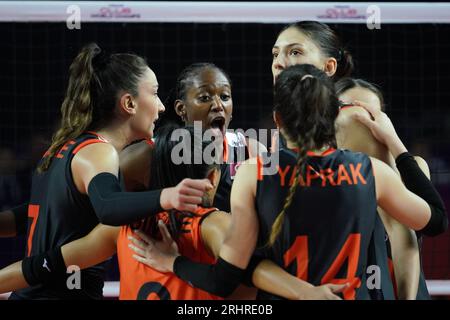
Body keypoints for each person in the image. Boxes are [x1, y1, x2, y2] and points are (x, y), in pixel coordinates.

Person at [132, 64, 447, 300]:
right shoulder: (371, 172)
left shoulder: (254, 172)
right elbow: (435, 221)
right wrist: (396, 144)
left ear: (278, 120)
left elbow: (226, 277)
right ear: (333, 117)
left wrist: (173, 262)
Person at [0, 124, 347, 300]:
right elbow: (256, 269)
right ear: (213, 178)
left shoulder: (121, 228)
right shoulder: (213, 224)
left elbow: (41, 266)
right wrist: (309, 292)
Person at [0, 43, 213, 299]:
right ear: (129, 103)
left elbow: (42, 213)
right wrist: (168, 196)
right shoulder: (99, 152)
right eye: (154, 94)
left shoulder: (64, 148)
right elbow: (108, 206)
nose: (161, 106)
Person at [269, 21, 432, 300]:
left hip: (370, 285)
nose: (280, 62)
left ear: (328, 67)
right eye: (275, 54)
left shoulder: (348, 121)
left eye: (295, 52)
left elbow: (402, 230)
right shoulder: (284, 136)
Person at [122, 62, 266, 213]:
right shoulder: (148, 155)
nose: (218, 105)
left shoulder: (252, 152)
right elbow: (108, 212)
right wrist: (135, 235)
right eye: (204, 98)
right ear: (181, 109)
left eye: (225, 97)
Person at [335, 78, 433, 299]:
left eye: (372, 114)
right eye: (351, 109)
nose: (362, 120)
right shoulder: (323, 176)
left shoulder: (414, 168)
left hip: (404, 291)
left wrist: (390, 145)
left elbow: (425, 226)